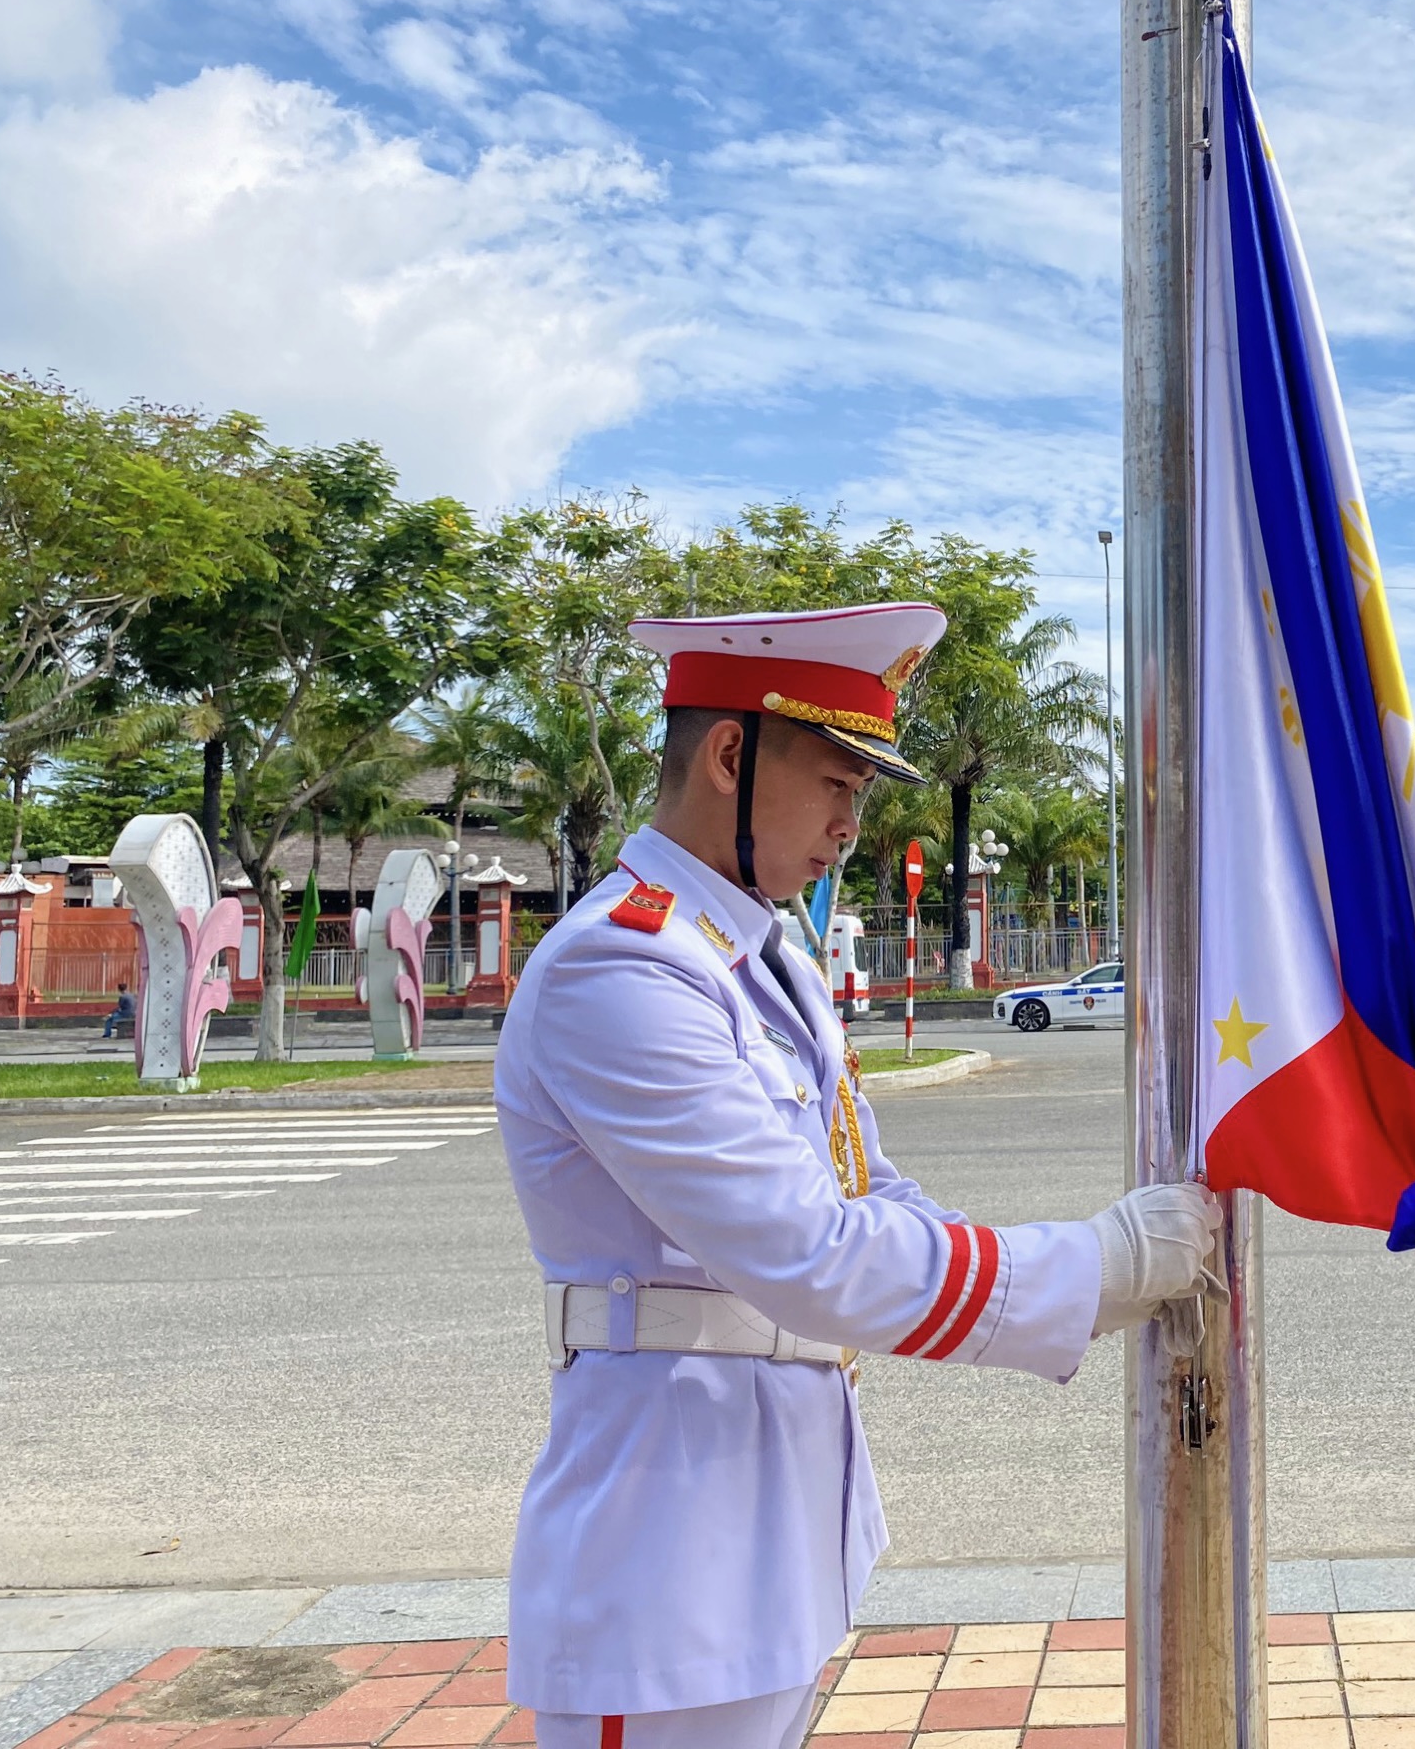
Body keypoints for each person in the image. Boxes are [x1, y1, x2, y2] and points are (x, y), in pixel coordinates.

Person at [496, 602, 1222, 1749]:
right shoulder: (621, 969)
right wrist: (1088, 1269)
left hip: (773, 1496)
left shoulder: (757, 955)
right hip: (667, 1528)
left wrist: (1052, 1267)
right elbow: (804, 1250)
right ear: (730, 755)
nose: (850, 825)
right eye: (837, 783)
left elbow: (871, 1188)